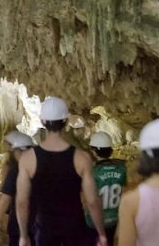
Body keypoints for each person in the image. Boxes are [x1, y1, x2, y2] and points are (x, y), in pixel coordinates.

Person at [16, 97, 108, 246]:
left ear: (42, 122)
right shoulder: (82, 158)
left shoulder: (27, 159)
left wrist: (23, 235)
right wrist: (101, 234)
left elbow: (22, 202)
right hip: (75, 230)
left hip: (44, 230)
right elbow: (92, 202)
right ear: (65, 122)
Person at [85, 132, 126, 246]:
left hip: (95, 223)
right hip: (115, 221)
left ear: (93, 151)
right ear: (110, 150)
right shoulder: (122, 169)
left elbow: (90, 201)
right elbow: (125, 194)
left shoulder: (92, 172)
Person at [0, 131, 35, 246]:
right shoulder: (41, 167)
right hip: (41, 223)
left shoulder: (17, 170)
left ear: (20, 151)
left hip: (19, 223)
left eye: (14, 151)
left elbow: (6, 198)